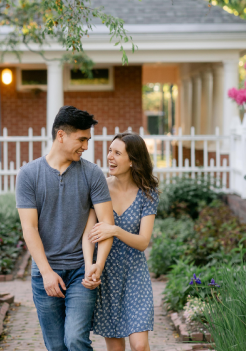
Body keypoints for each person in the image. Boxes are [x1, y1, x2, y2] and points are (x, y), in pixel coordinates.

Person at [15, 106, 115, 351]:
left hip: (81, 273)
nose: (86, 146)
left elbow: (106, 225)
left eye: (88, 140)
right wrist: (47, 272)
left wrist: (96, 266)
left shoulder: (92, 174)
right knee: (57, 346)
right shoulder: (29, 174)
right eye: (81, 139)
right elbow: (29, 228)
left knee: (75, 340)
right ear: (61, 135)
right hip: (44, 274)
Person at [87, 132, 160, 351]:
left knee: (139, 345)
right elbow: (89, 233)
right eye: (110, 151)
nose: (110, 157)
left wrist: (115, 230)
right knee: (116, 349)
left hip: (134, 274)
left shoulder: (148, 194)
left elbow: (143, 242)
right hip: (107, 274)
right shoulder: (99, 189)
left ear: (132, 160)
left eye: (117, 153)